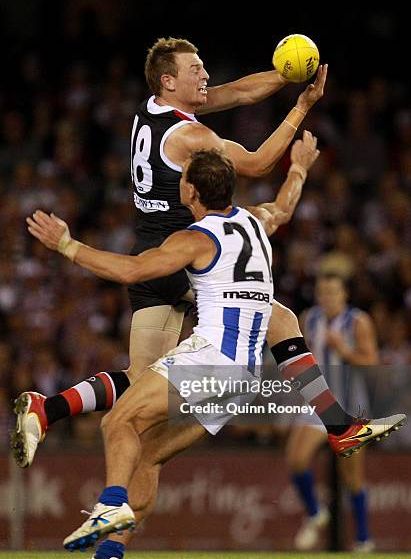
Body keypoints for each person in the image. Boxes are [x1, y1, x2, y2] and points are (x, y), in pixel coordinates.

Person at [26, 149, 405, 559]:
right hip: (243, 380)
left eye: (183, 178)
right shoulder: (256, 221)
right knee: (147, 457)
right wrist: (298, 166)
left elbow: (132, 271)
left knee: (116, 423)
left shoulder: (195, 239)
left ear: (190, 190)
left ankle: (109, 507)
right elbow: (285, 205)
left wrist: (65, 244)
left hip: (211, 360)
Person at [12, 37, 329, 470]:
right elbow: (255, 164)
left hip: (151, 252)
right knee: (276, 318)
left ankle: (46, 409)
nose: (205, 75)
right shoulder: (190, 135)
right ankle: (338, 422)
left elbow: (236, 92)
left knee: (140, 377)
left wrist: (285, 74)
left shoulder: (154, 109)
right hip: (185, 256)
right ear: (168, 80)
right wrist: (301, 107)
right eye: (195, 69)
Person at [286, 273, 378, 552]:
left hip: (349, 405)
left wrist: (344, 351)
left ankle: (363, 538)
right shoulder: (308, 318)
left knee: (352, 476)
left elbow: (372, 362)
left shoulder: (358, 322)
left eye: (333, 292)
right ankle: (315, 513)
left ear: (344, 295)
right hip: (317, 401)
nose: (327, 298)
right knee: (296, 459)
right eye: (323, 292)